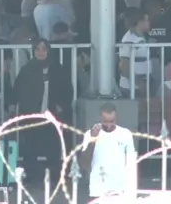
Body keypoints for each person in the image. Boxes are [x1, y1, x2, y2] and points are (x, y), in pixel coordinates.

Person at [12, 38, 72, 182]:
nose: (40, 52)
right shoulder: (27, 69)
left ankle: (56, 177)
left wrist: (61, 106)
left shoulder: (58, 68)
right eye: (37, 49)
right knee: (30, 146)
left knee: (53, 146)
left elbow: (67, 90)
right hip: (32, 114)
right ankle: (33, 177)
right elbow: (18, 90)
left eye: (44, 49)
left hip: (52, 114)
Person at [80, 103, 135, 200]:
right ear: (100, 118)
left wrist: (132, 189)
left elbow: (131, 163)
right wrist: (93, 139)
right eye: (105, 122)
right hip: (97, 189)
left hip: (120, 189)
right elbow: (84, 164)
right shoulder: (90, 134)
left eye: (112, 121)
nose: (109, 125)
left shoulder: (125, 134)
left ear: (116, 118)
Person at [118, 9, 151, 97]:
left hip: (139, 87)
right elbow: (124, 66)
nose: (149, 23)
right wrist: (139, 82)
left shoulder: (141, 38)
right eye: (147, 20)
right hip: (131, 89)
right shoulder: (129, 39)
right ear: (139, 22)